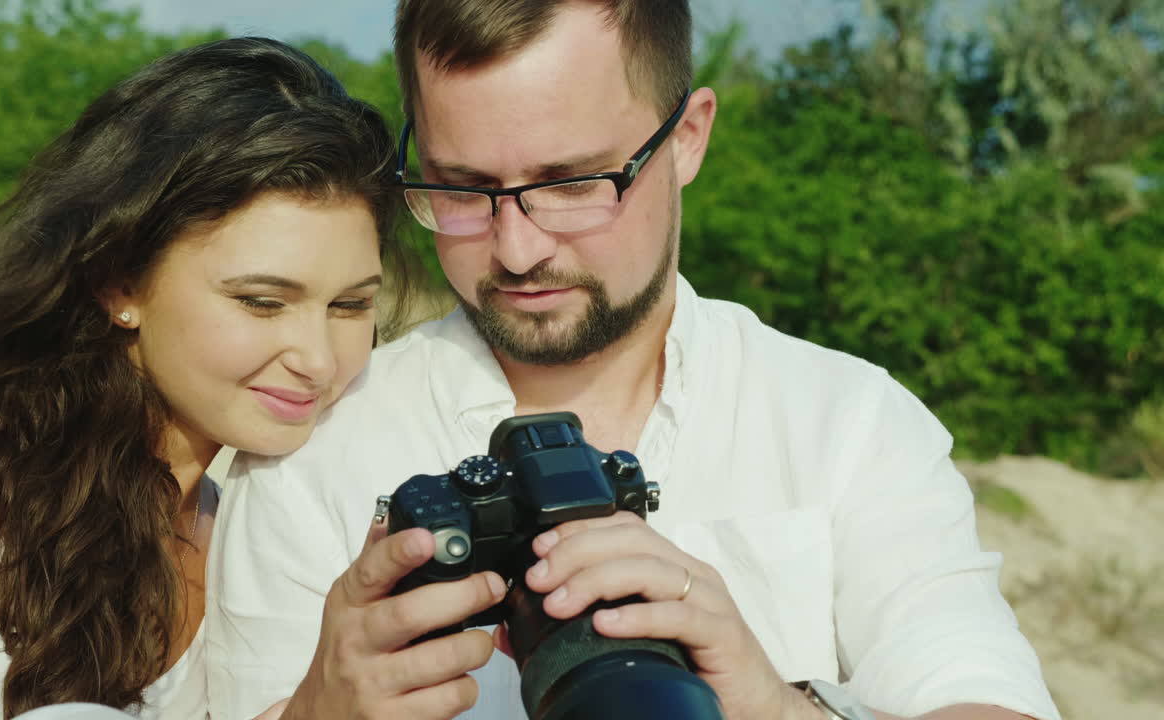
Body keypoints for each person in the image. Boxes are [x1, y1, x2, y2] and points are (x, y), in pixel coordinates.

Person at [207, 2, 1062, 720]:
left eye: (571, 183)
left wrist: (770, 704)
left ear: (687, 137)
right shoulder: (318, 449)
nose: (517, 249)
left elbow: (984, 699)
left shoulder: (848, 422)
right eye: (463, 189)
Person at [0, 36, 414, 719]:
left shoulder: (254, 540)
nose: (317, 359)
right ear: (120, 282)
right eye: (261, 301)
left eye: (350, 306)